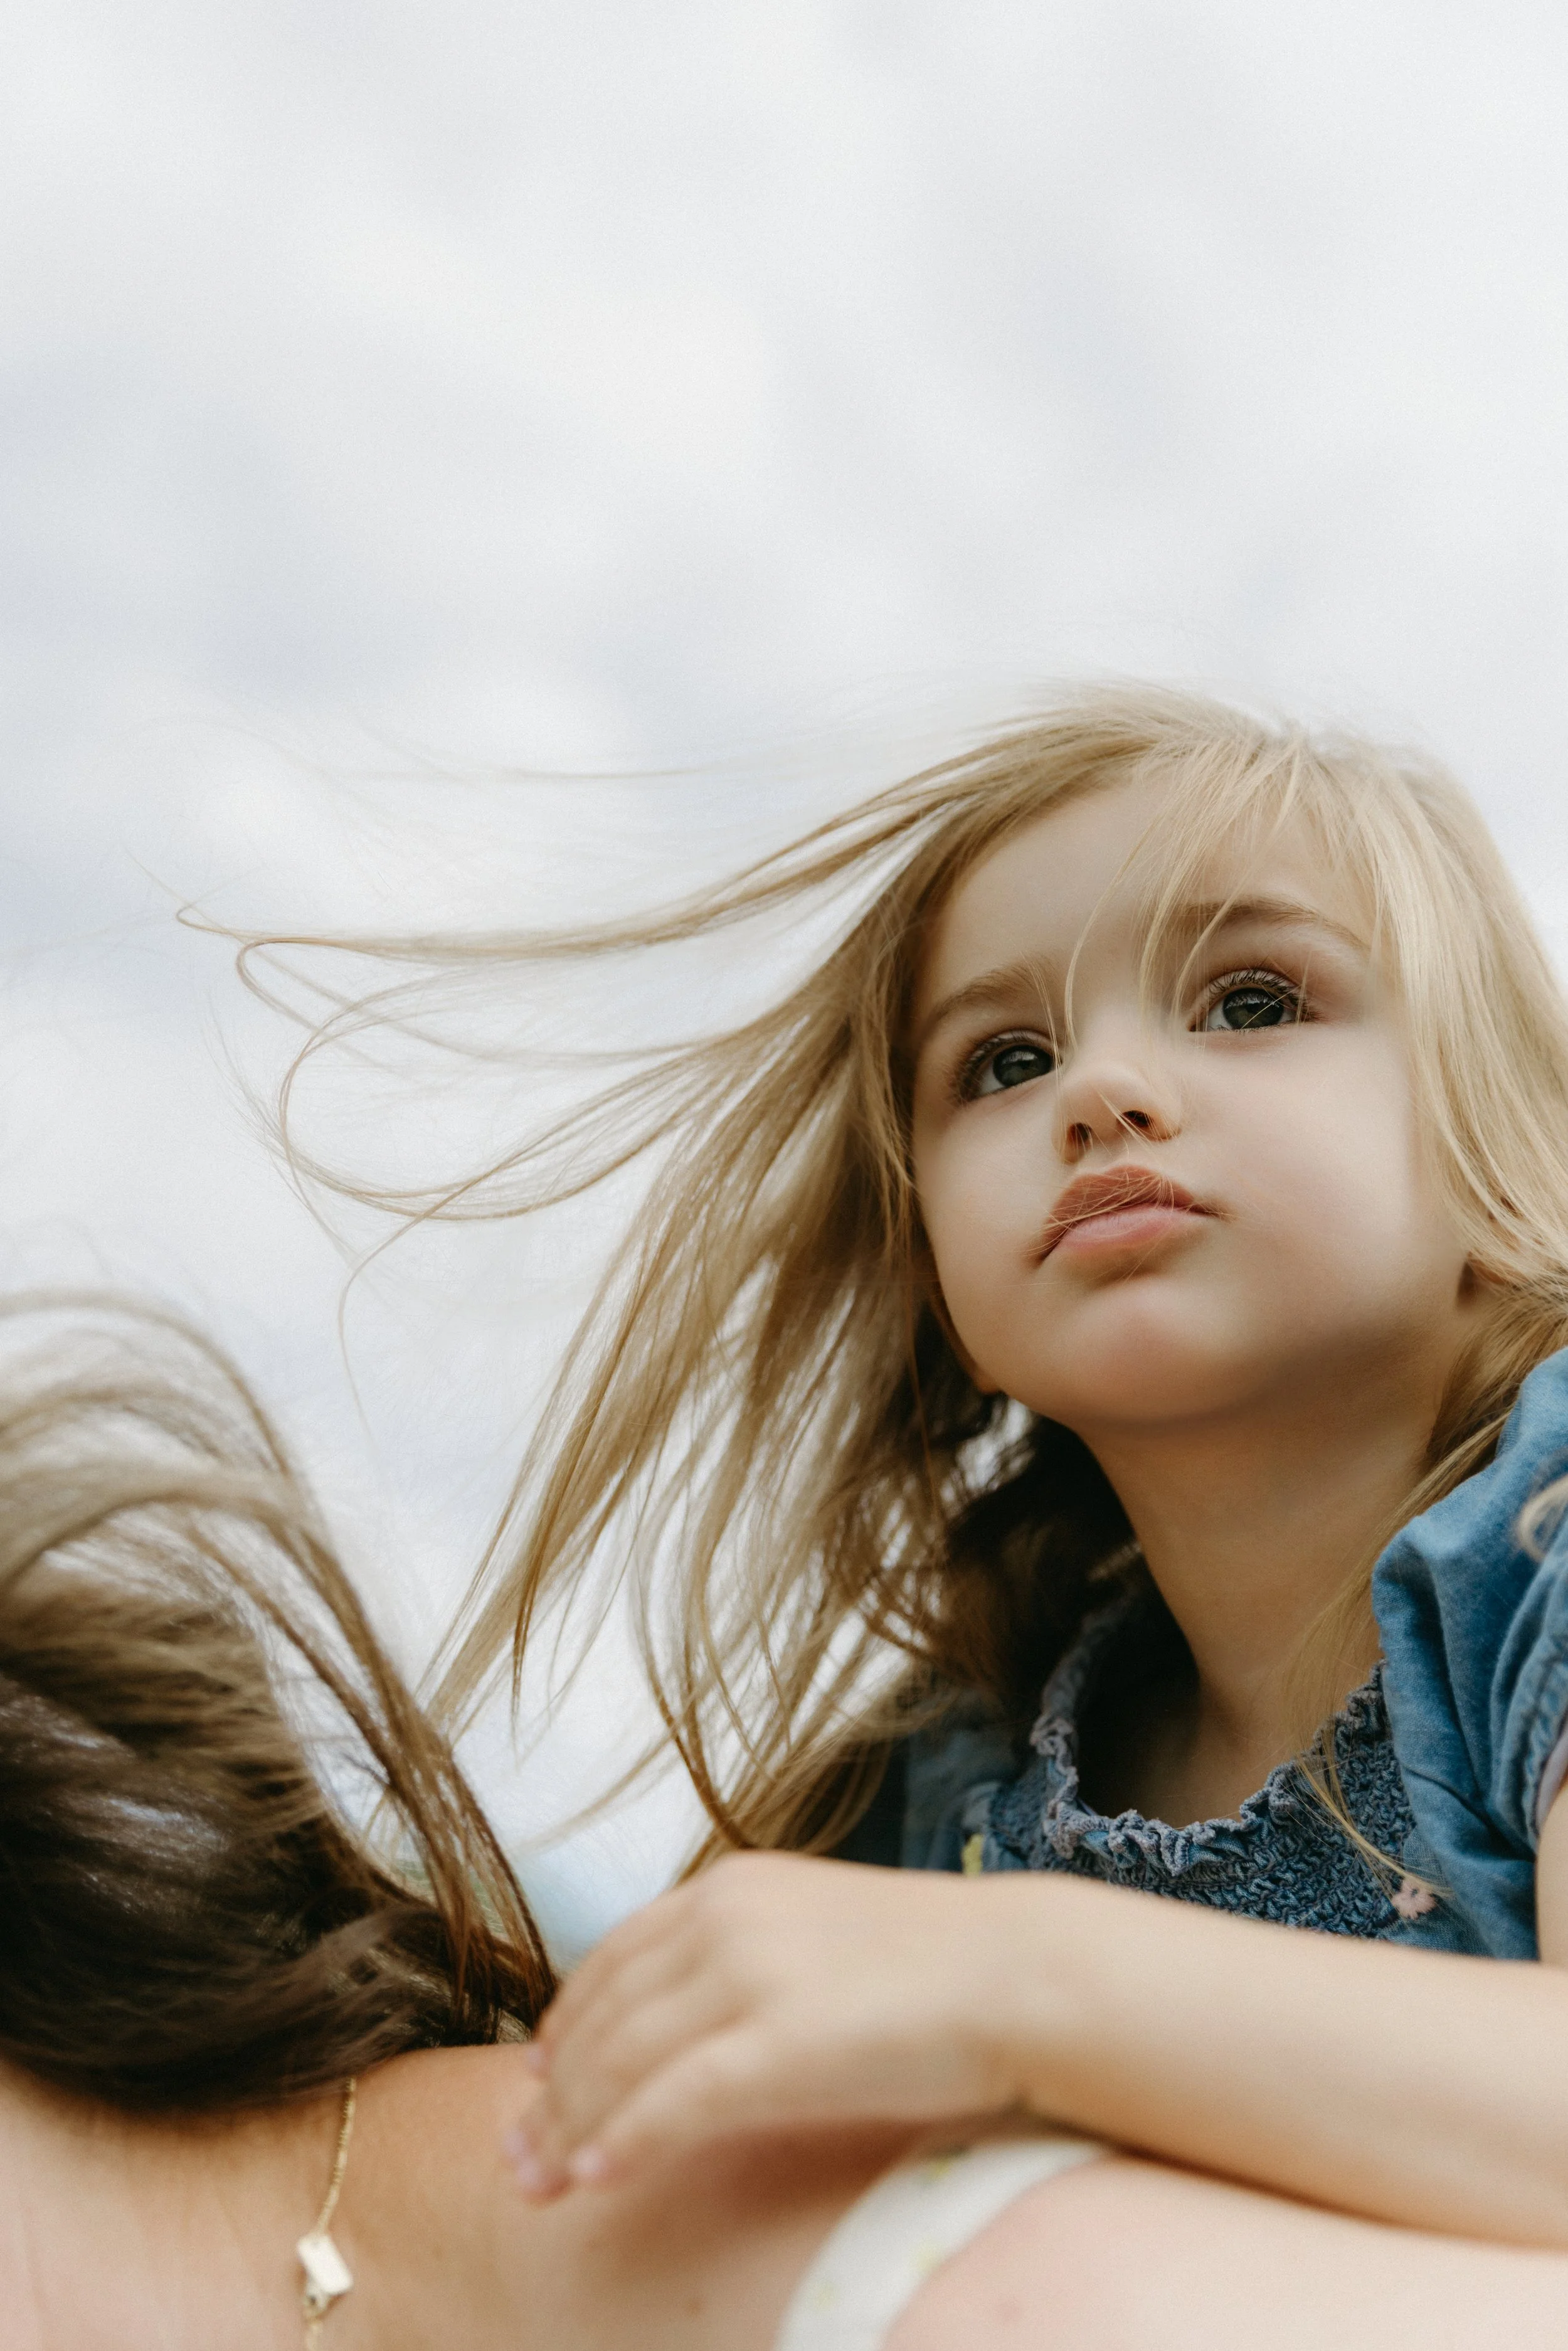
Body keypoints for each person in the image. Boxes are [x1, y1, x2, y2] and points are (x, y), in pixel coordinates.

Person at [258, 689, 1568, 2269]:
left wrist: (1013, 1980)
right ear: (930, 1262)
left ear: (1508, 1149)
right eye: (1005, 1059)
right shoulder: (954, 1772)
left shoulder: (1530, 1558)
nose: (1103, 1094)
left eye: (1248, 1000)